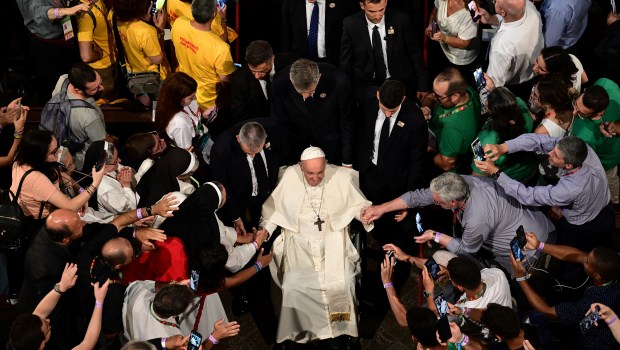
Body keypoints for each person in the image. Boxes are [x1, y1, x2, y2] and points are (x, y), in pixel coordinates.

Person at [261, 146, 373, 348]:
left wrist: (362, 214)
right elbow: (273, 211)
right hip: (299, 243)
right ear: (300, 167)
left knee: (342, 283)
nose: (315, 178)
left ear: (325, 165)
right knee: (292, 286)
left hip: (332, 241)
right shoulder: (289, 177)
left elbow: (356, 205)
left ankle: (341, 330)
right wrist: (265, 231)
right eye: (310, 173)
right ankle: (297, 332)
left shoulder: (340, 177)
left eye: (320, 172)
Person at [361, 172, 555, 273]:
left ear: (452, 202)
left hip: (532, 252)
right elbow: (418, 197)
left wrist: (435, 235)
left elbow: (466, 249)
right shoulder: (459, 183)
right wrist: (379, 209)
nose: (432, 202)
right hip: (529, 223)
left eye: (437, 202)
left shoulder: (477, 217)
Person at [476, 135, 614, 251]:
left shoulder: (570, 189)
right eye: (554, 149)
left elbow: (528, 195)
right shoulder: (581, 149)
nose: (549, 153)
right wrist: (504, 147)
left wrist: (496, 173)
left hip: (584, 226)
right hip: (606, 206)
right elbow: (539, 140)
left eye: (555, 155)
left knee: (576, 260)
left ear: (568, 166)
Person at [511, 231, 620, 350]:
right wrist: (538, 245)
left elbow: (547, 312)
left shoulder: (591, 303)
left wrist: (520, 278)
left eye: (587, 262)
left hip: (591, 343)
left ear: (597, 276)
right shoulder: (611, 270)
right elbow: (578, 254)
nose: (584, 259)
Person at [340, 0, 429, 100]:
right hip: (366, 87)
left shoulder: (400, 20)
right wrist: (345, 91)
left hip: (399, 83)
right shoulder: (351, 24)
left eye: (381, 10)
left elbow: (415, 55)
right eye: (371, 12)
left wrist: (423, 86)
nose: (377, 16)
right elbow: (346, 62)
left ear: (386, 2)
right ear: (362, 5)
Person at [271, 59, 354, 165]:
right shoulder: (279, 84)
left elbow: (347, 123)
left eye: (310, 92)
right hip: (297, 150)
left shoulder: (339, 82)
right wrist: (285, 161)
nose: (305, 96)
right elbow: (281, 124)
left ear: (318, 77)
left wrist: (347, 161)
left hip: (331, 147)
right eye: (300, 92)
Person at [10, 263, 110, 350]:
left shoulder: (23, 342)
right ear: (41, 345)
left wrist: (61, 286)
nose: (48, 320)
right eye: (47, 327)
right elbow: (87, 343)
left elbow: (39, 313)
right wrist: (99, 301)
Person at [11, 129, 106, 220]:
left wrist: (81, 191)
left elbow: (60, 174)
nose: (59, 152)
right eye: (54, 152)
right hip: (44, 223)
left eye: (57, 147)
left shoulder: (22, 158)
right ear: (39, 156)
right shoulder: (36, 179)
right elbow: (70, 206)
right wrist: (95, 184)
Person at [211, 120, 280, 233]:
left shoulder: (273, 129)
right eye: (248, 152)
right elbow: (223, 185)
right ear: (238, 139)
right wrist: (235, 216)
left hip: (268, 190)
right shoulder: (221, 149)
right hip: (240, 196)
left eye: (257, 151)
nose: (253, 156)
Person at [122, 282, 240, 346]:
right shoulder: (172, 337)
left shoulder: (140, 290)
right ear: (176, 314)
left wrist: (176, 286)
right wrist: (214, 337)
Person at [15, 0, 90, 100]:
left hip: (66, 33)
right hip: (47, 45)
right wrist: (65, 11)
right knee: (56, 87)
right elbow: (38, 12)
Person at [171, 0, 236, 112]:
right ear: (214, 14)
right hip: (209, 104)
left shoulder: (178, 23)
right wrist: (223, 20)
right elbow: (226, 83)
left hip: (185, 93)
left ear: (192, 9)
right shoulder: (220, 48)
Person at [471, 87, 537, 183]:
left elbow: (478, 176)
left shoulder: (487, 142)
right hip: (530, 169)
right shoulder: (520, 104)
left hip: (509, 181)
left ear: (491, 111)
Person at [421, 67, 480, 174]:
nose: (434, 97)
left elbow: (446, 164)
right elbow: (430, 97)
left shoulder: (453, 129)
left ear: (455, 96)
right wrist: (427, 109)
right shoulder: (467, 91)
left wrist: (423, 146)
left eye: (438, 97)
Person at [51, 62, 108, 170]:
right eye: (94, 88)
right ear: (78, 90)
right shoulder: (89, 116)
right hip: (82, 161)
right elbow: (101, 144)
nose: (101, 88)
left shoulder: (64, 79)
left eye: (100, 82)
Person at [112, 0, 170, 107]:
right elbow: (157, 59)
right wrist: (160, 30)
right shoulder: (146, 31)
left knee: (144, 104)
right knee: (160, 106)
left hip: (133, 73)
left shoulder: (116, 18)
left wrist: (145, 19)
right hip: (154, 77)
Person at [571, 80, 620, 205]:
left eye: (581, 113)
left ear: (599, 113)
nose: (574, 113)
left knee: (610, 181)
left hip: (607, 162)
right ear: (586, 91)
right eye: (576, 105)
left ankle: (615, 202)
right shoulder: (607, 85)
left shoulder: (585, 136)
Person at [478, 0, 543, 94]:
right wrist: (489, 20)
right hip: (531, 72)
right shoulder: (529, 6)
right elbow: (511, 19)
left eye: (496, 1)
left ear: (503, 12)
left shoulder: (502, 46)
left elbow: (494, 84)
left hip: (515, 84)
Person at [230, 40, 294, 123]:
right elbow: (239, 116)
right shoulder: (239, 79)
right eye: (253, 71)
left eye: (262, 71)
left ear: (272, 59)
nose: (257, 76)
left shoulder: (290, 64)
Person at [281, 0, 355, 66]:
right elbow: (286, 36)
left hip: (331, 63)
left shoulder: (341, 3)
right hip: (301, 63)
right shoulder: (291, 3)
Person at [154, 72, 209, 150]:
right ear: (177, 99)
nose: (195, 98)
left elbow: (193, 117)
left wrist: (202, 115)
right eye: (190, 97)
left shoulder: (170, 101)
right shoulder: (180, 124)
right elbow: (187, 150)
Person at [82, 140, 138, 216]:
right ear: (103, 165)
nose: (120, 160)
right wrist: (126, 186)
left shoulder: (110, 169)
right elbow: (130, 210)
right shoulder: (105, 189)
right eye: (116, 160)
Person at [77, 0, 117, 102]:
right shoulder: (85, 15)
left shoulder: (98, 2)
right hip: (102, 70)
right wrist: (100, 54)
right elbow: (86, 56)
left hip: (113, 62)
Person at [425, 0, 480, 69]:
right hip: (443, 49)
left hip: (460, 59)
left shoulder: (472, 8)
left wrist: (444, 38)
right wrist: (431, 26)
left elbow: (465, 43)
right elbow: (433, 14)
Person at [166, 0, 237, 43]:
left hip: (180, 49)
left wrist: (169, 41)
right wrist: (223, 20)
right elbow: (223, 43)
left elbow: (167, 26)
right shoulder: (210, 17)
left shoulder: (169, 2)